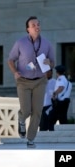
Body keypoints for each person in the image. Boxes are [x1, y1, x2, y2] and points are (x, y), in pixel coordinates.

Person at [8, 16, 55, 148]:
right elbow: (11, 60)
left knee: (37, 111)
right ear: (28, 29)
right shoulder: (20, 43)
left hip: (40, 81)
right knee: (26, 110)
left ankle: (31, 138)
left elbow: (52, 62)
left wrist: (49, 63)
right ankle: (21, 119)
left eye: (38, 24)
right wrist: (15, 72)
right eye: (33, 25)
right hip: (23, 81)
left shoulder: (46, 43)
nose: (36, 26)